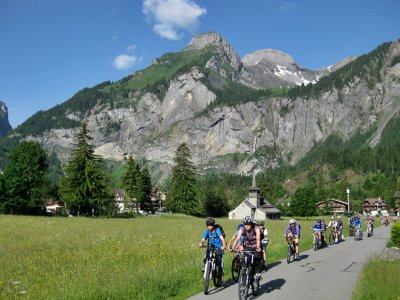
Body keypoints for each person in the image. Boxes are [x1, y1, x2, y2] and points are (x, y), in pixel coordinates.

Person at [231, 216, 262, 281]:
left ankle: (258, 273)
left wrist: (258, 247)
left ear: (251, 224)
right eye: (245, 224)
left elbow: (258, 239)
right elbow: (237, 239)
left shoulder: (256, 228)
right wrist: (233, 247)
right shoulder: (242, 229)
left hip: (256, 245)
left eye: (248, 224)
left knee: (257, 258)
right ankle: (245, 276)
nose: (247, 226)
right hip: (247, 245)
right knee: (244, 260)